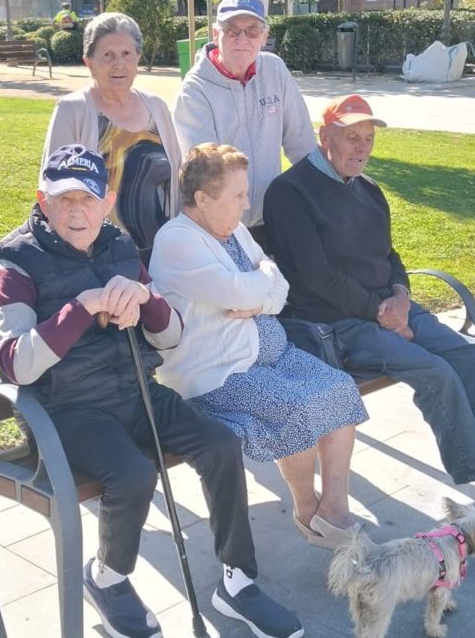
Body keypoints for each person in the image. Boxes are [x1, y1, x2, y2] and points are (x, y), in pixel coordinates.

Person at [0, 144, 303, 638]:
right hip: (66, 410)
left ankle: (237, 581)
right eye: (62, 199)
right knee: (133, 473)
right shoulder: (15, 264)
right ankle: (108, 577)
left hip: (134, 391)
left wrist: (144, 299)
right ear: (41, 200)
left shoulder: (117, 245)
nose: (76, 211)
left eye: (87, 199)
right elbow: (16, 365)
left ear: (107, 200)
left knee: (221, 444)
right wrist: (84, 305)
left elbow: (171, 334)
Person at [263, 95, 475, 539]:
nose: (360, 147)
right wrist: (380, 312)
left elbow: (391, 256)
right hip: (332, 324)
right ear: (324, 137)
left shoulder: (368, 189)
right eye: (350, 137)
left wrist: (399, 294)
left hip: (386, 310)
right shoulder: (291, 191)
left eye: (368, 138)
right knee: (436, 371)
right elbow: (315, 275)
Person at [149, 142, 369, 549]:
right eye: (238, 195)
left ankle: (334, 510)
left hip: (269, 356)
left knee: (339, 388)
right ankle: (307, 510)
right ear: (202, 198)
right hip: (219, 374)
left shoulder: (232, 231)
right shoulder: (178, 241)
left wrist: (258, 295)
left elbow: (277, 284)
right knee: (296, 406)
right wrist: (256, 289)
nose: (247, 204)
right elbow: (236, 289)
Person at [42, 12, 182, 254]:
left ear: (138, 57)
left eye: (126, 54)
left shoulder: (157, 107)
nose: (119, 63)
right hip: (100, 259)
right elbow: (53, 188)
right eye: (107, 55)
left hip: (161, 254)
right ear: (89, 62)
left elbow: (177, 177)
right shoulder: (72, 110)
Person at [173, 0, 316, 229]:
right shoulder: (194, 90)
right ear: (215, 33)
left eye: (252, 30)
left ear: (264, 35)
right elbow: (205, 175)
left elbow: (303, 145)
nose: (242, 39)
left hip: (271, 218)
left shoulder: (275, 69)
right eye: (231, 30)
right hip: (218, 227)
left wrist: (323, 199)